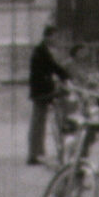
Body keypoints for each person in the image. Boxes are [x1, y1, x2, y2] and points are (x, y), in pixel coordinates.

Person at [27, 26, 71, 165]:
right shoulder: (41, 51)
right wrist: (66, 76)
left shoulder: (42, 50)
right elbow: (53, 67)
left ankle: (38, 152)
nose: (56, 40)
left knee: (39, 122)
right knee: (38, 123)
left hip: (41, 91)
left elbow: (52, 67)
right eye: (54, 37)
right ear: (47, 36)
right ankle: (34, 154)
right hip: (41, 92)